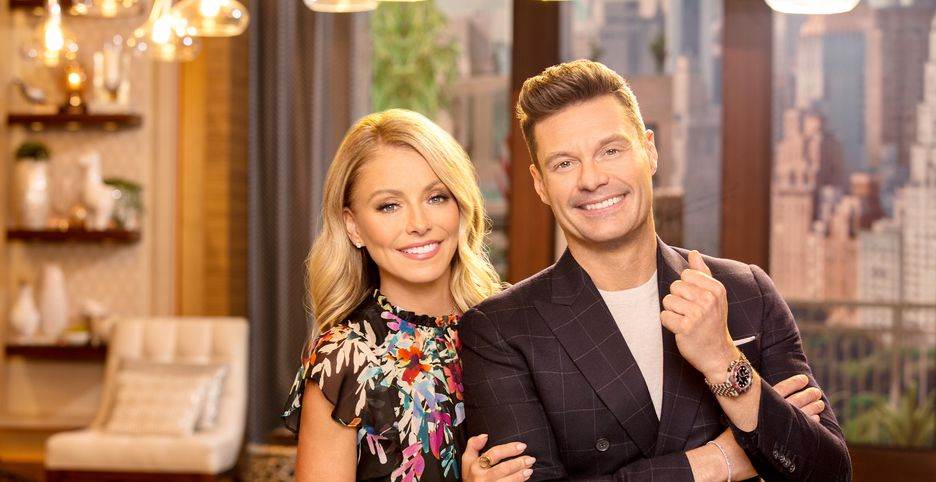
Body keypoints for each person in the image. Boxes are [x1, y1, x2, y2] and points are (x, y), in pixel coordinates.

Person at [459, 60, 851, 481]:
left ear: (649, 150)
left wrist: (722, 360)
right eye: (564, 164)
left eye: (611, 150)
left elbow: (829, 474)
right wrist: (718, 460)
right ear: (540, 184)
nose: (592, 179)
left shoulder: (745, 290)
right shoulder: (502, 329)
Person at [282, 109, 534, 482]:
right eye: (389, 205)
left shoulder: (512, 322)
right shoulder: (344, 358)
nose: (418, 224)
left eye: (436, 197)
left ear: (460, 205)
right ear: (353, 226)